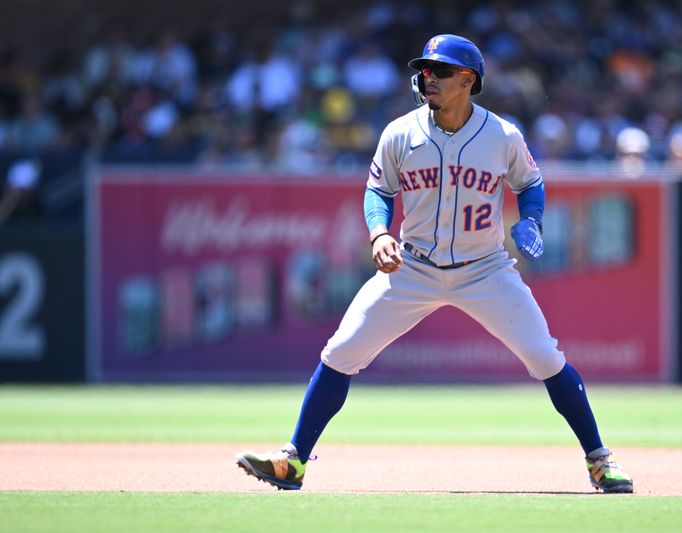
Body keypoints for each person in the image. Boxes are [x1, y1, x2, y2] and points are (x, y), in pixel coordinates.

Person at [235, 34, 633, 494]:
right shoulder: (400, 132)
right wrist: (379, 233)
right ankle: (294, 462)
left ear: (467, 80)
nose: (428, 78)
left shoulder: (502, 135)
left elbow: (530, 183)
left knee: (546, 357)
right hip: (413, 266)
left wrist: (533, 219)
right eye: (424, 70)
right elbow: (378, 191)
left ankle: (600, 460)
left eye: (439, 71)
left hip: (484, 268)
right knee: (340, 352)